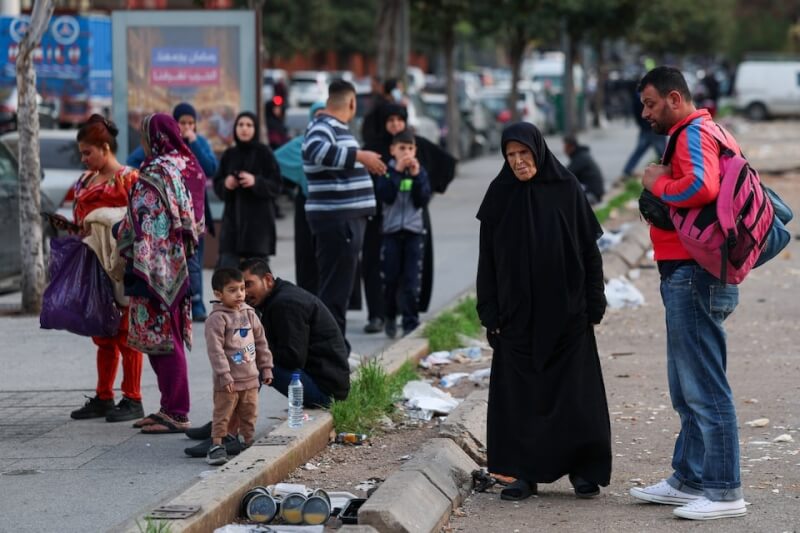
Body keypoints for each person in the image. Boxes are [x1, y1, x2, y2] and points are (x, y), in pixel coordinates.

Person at [628, 66, 747, 521]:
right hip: (691, 271)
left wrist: (656, 183)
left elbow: (703, 185)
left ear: (675, 98)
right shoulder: (706, 130)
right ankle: (689, 478)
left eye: (651, 104)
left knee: (705, 387)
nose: (645, 113)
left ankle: (723, 491)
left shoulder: (693, 132)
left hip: (696, 274)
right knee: (686, 385)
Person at [476, 122, 610, 501]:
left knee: (575, 395)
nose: (519, 162)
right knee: (521, 397)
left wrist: (593, 303)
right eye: (511, 155)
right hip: (516, 317)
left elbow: (589, 251)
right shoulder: (499, 195)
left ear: (539, 150)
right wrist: (490, 313)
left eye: (524, 153)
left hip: (568, 313)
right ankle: (522, 473)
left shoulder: (566, 190)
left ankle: (583, 471)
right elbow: (487, 261)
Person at [116, 113, 200, 434]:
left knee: (165, 340)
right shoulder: (177, 168)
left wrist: (118, 232)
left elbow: (141, 225)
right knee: (163, 338)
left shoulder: (153, 174)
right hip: (173, 266)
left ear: (154, 138)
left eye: (143, 136)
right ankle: (168, 407)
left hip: (154, 270)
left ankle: (177, 412)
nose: (141, 142)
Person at [61, 115, 144, 423]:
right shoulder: (85, 180)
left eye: (87, 152)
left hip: (120, 266)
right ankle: (104, 396)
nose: (84, 159)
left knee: (126, 332)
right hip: (92, 262)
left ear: (105, 147)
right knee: (102, 332)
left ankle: (133, 397)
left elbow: (137, 221)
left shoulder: (128, 179)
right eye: (82, 153)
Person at [302, 79, 386, 339]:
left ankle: (336, 351)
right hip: (337, 220)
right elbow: (313, 150)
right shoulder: (323, 126)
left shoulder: (336, 127)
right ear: (351, 103)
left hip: (345, 219)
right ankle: (333, 354)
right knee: (335, 293)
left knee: (339, 291)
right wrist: (361, 156)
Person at [363, 103, 456, 327]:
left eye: (399, 120)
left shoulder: (418, 147)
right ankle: (380, 314)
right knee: (382, 269)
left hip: (414, 223)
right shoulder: (374, 149)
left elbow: (446, 164)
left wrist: (429, 185)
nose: (395, 125)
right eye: (390, 120)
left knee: (412, 273)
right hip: (382, 220)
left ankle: (409, 316)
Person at [128, 102, 217, 322]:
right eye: (182, 123)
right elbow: (131, 164)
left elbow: (210, 168)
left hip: (193, 218)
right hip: (165, 224)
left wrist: (193, 142)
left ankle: (195, 302)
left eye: (190, 123)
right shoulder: (157, 153)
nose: (186, 127)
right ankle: (177, 300)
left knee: (193, 262)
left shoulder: (196, 147)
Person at [204, 267, 273, 465]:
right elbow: (215, 351)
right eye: (232, 290)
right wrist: (224, 375)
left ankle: (247, 442)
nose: (240, 294)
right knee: (222, 414)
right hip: (228, 381)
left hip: (251, 378)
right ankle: (217, 445)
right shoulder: (217, 319)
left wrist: (266, 367)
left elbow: (261, 342)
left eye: (242, 289)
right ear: (218, 294)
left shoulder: (250, 314)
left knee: (249, 413)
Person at [374, 129, 431, 337]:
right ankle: (390, 315)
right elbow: (386, 196)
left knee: (411, 280)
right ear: (392, 150)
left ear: (415, 150)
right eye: (401, 148)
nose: (406, 153)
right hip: (391, 233)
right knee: (390, 278)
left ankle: (410, 321)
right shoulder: (386, 171)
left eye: (410, 148)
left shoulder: (420, 172)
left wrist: (416, 177)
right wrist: (397, 172)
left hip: (414, 233)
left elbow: (422, 200)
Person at [213, 111, 282, 269]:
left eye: (249, 125)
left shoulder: (265, 153)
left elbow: (277, 185)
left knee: (256, 284)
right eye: (240, 125)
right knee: (228, 277)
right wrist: (226, 184)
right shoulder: (229, 154)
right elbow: (218, 184)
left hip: (258, 229)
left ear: (255, 129)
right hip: (232, 228)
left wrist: (255, 181)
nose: (244, 129)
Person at [274, 102, 326, 295]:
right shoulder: (300, 143)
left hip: (328, 203)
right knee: (306, 253)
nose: (320, 120)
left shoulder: (333, 144)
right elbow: (276, 159)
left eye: (324, 115)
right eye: (317, 115)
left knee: (325, 254)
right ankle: (306, 297)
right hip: (305, 203)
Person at [621, 86, 667, 177]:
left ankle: (628, 169)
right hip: (654, 128)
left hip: (646, 128)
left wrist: (641, 124)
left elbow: (636, 113)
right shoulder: (653, 95)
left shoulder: (639, 96)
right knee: (664, 153)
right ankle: (668, 170)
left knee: (640, 150)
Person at [563, 134, 605, 205]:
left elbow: (565, 175)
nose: (564, 149)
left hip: (592, 195)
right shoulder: (581, 155)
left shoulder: (580, 158)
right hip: (592, 192)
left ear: (571, 147)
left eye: (565, 147)